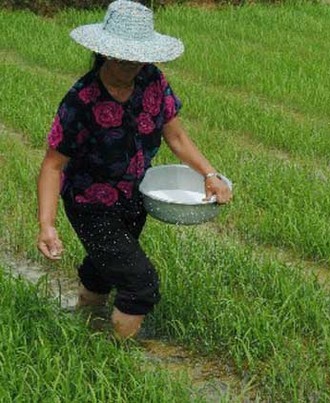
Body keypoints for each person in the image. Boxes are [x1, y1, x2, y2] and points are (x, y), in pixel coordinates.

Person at [36, 0, 232, 339]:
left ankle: (86, 323)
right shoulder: (81, 100)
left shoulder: (152, 80)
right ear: (105, 52)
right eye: (123, 56)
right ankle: (115, 360)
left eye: (138, 57)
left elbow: (177, 136)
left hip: (135, 197)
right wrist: (47, 225)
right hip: (90, 205)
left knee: (106, 268)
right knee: (140, 285)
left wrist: (209, 174)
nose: (131, 64)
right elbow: (53, 166)